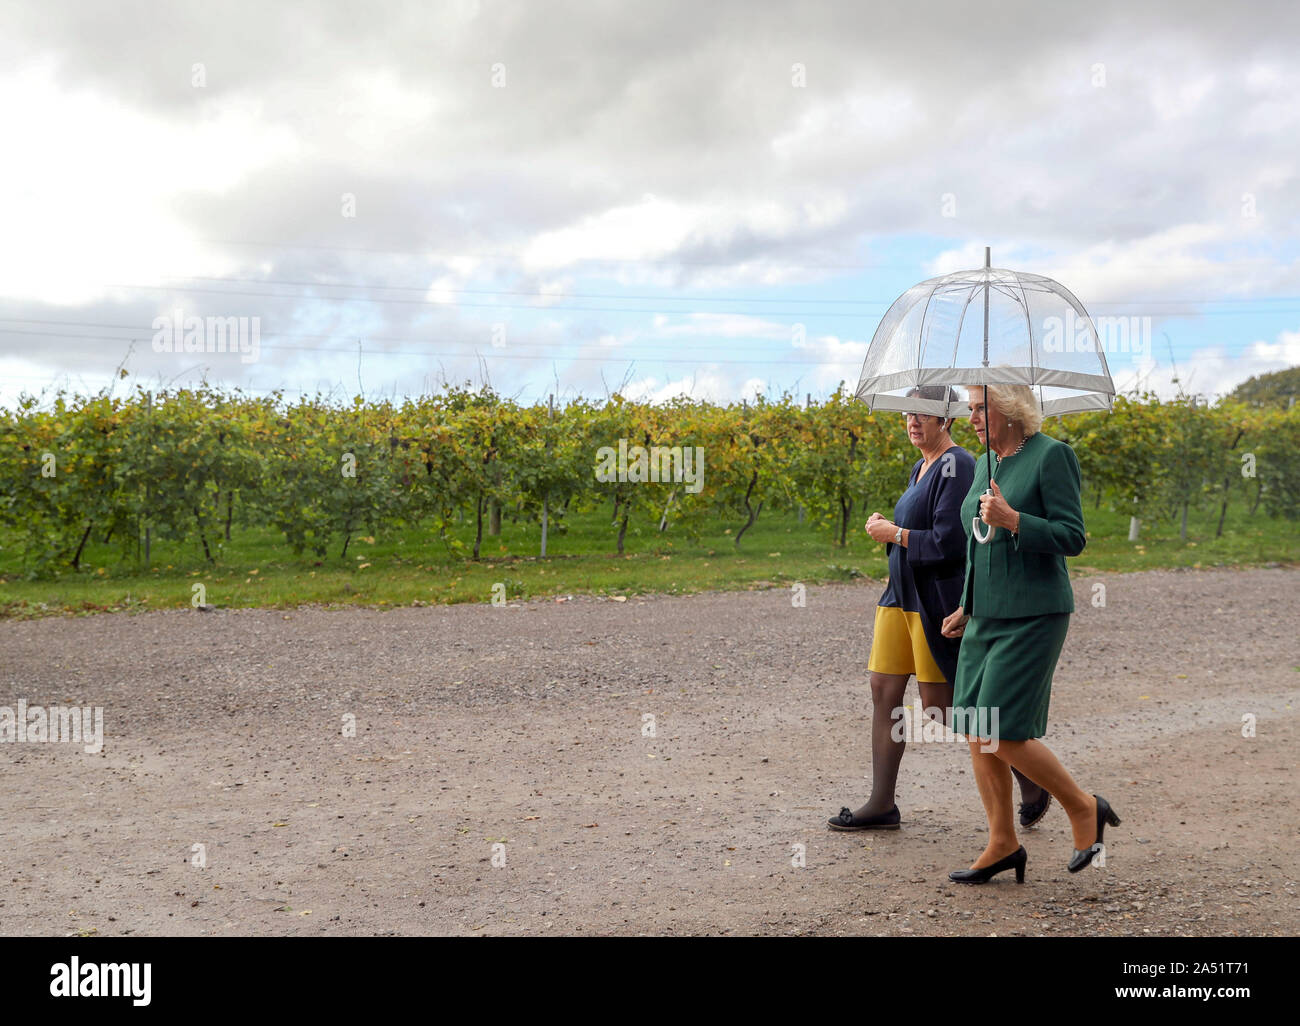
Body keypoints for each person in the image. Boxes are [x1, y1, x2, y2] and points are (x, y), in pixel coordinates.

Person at [827, 386, 1048, 831]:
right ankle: (882, 804)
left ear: (946, 420)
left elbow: (950, 543)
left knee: (943, 709)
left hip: (932, 601)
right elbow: (916, 532)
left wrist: (894, 534)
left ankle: (1032, 778)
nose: (913, 422)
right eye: (908, 414)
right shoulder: (921, 466)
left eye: (924, 415)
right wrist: (891, 533)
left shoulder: (958, 463)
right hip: (898, 598)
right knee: (883, 691)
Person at [940, 384, 1120, 883]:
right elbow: (980, 543)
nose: (972, 417)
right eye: (970, 409)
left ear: (1012, 410)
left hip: (1035, 613)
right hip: (986, 615)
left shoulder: (1052, 456)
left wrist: (1015, 519)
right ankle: (1002, 842)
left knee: (1001, 729)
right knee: (977, 729)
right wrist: (966, 604)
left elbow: (1072, 536)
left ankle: (1084, 806)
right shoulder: (984, 463)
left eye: (981, 408)